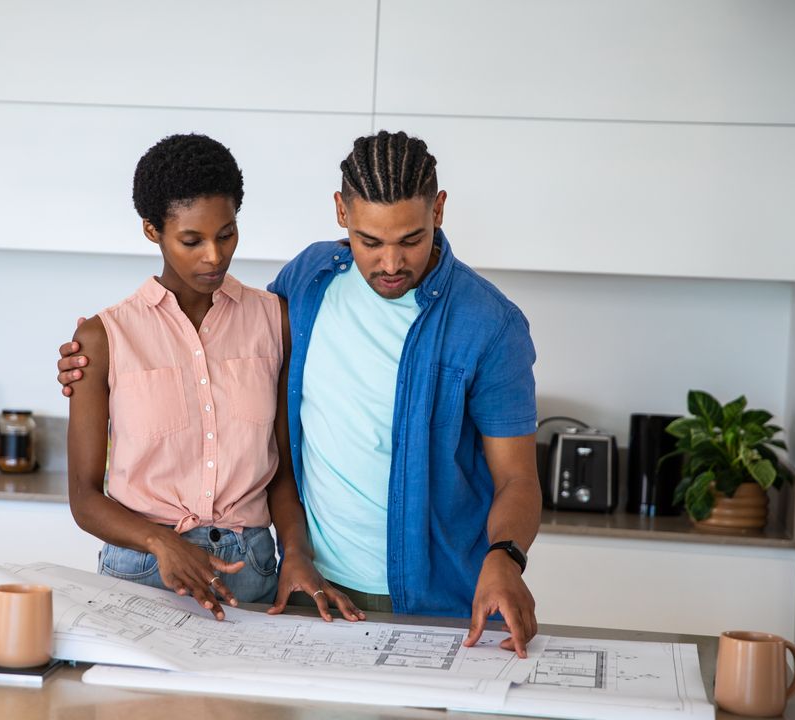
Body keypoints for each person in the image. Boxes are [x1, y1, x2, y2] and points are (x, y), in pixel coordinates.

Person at [60, 131, 541, 656]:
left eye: (411, 240)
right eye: (370, 241)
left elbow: (517, 478)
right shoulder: (309, 281)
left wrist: (506, 555)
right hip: (297, 586)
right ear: (341, 212)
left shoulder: (487, 324)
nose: (390, 263)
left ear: (439, 211)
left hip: (424, 591)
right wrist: (97, 355)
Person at [66, 133, 364, 622]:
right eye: (192, 241)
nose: (214, 256)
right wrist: (161, 542)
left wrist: (296, 554)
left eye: (226, 234)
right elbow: (83, 498)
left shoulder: (273, 320)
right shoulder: (104, 338)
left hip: (251, 571)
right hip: (143, 570)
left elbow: (281, 471)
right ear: (152, 231)